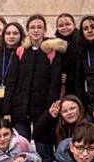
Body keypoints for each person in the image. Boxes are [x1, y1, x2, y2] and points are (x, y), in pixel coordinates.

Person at [11, 14, 63, 149]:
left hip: (42, 109)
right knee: (21, 147)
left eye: (39, 27)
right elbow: (12, 81)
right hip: (21, 108)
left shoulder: (52, 52)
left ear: (44, 30)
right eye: (32, 27)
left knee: (43, 149)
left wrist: (49, 108)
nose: (36, 30)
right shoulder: (21, 51)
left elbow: (55, 83)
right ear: (27, 30)